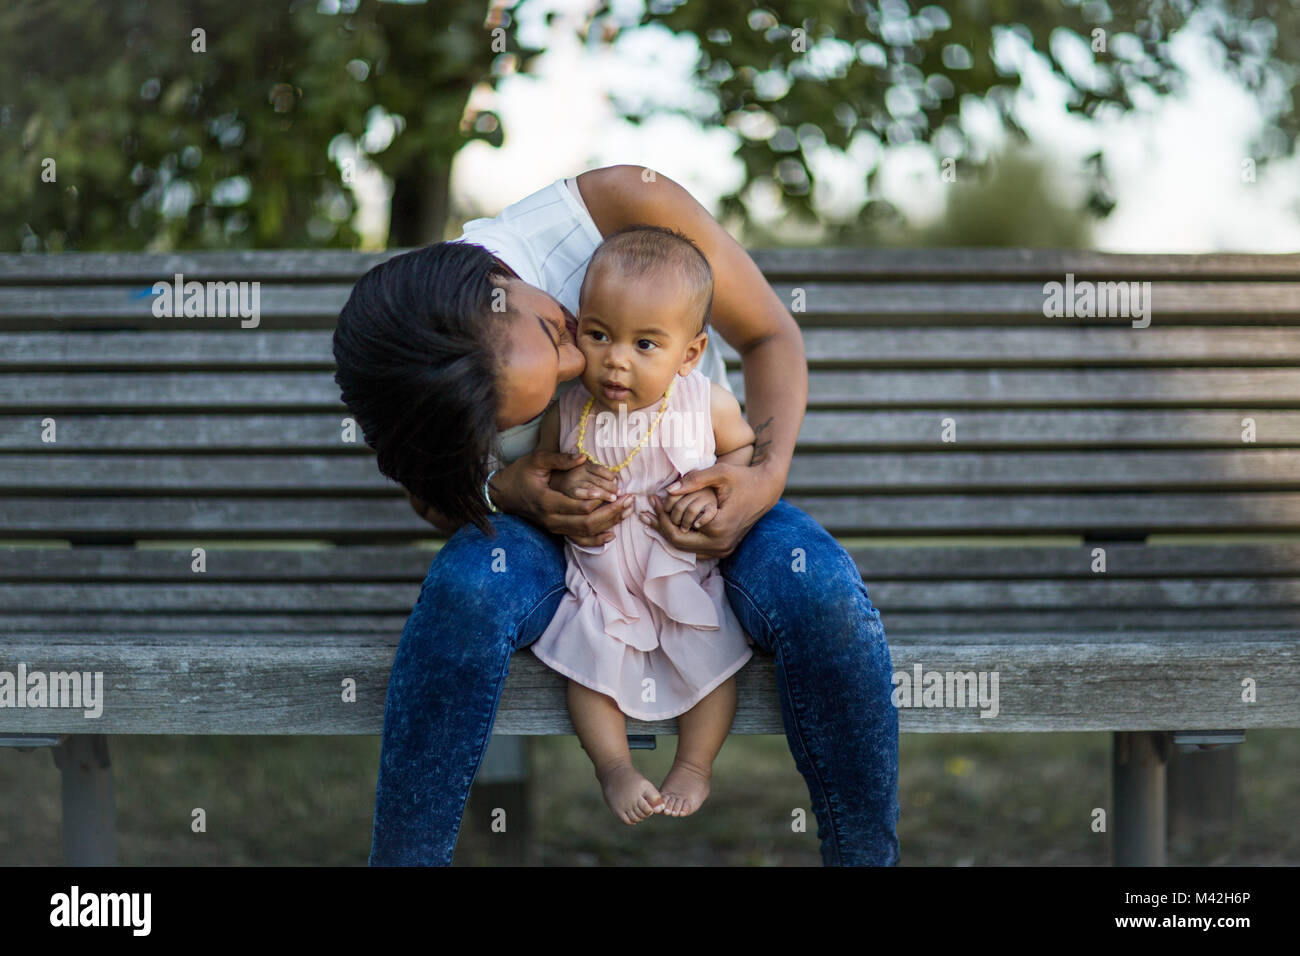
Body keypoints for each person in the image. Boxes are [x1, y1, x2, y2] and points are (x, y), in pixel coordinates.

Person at [332, 165, 900, 865]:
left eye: (560, 331)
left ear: (498, 282)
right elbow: (432, 496)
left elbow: (769, 338)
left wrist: (760, 480)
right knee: (467, 586)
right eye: (547, 394)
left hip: (703, 500)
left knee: (820, 588)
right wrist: (502, 491)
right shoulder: (422, 378)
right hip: (555, 548)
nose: (585, 366)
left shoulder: (613, 207)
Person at [531, 224, 756, 824]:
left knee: (714, 656)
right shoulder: (570, 405)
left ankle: (695, 764)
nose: (617, 360)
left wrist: (714, 493)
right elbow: (549, 471)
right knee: (590, 658)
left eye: (645, 345)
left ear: (690, 353)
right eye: (599, 334)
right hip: (601, 573)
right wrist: (568, 484)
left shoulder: (705, 403)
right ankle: (613, 766)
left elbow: (740, 457)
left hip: (679, 568)